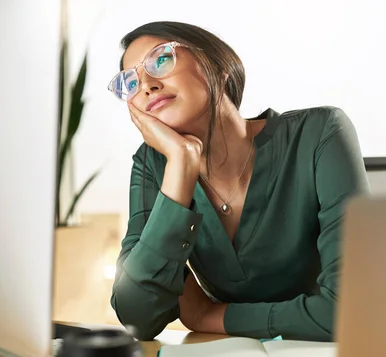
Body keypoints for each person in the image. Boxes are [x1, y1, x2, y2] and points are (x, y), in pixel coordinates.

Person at [107, 21, 370, 342]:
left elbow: (351, 312)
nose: (146, 85)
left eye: (160, 60)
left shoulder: (319, 133)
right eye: (130, 82)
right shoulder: (153, 164)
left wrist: (210, 316)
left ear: (217, 66)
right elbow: (138, 318)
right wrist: (180, 165)